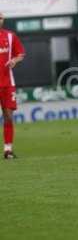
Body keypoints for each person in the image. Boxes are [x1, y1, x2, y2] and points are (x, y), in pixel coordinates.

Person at [0, 12, 25, 159]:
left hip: (8, 83)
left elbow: (20, 53)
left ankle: (8, 150)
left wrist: (15, 60)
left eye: (1, 18)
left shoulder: (10, 36)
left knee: (8, 116)